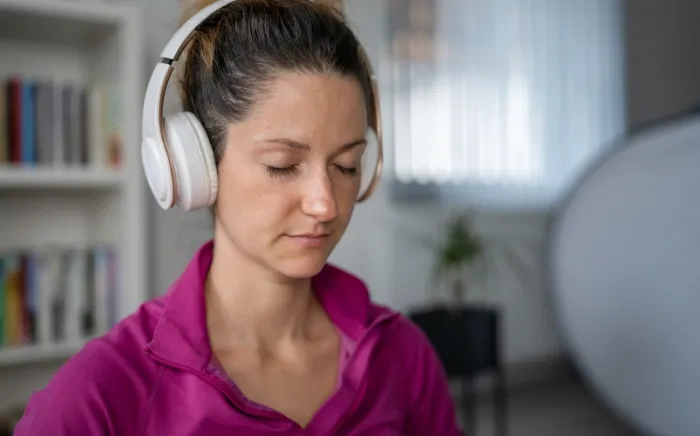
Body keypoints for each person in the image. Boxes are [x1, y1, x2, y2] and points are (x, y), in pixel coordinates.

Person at [14, 0, 463, 434]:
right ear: (193, 167)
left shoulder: (402, 354)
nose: (325, 204)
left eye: (346, 166)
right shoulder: (97, 396)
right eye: (283, 164)